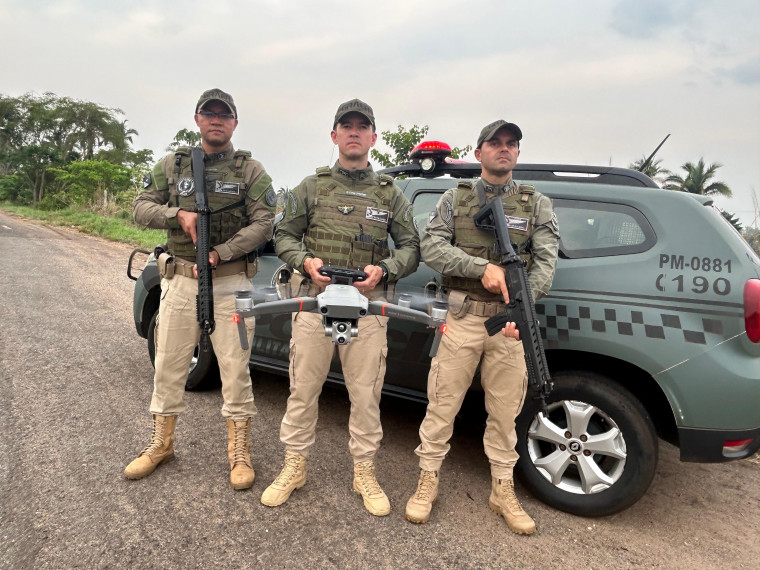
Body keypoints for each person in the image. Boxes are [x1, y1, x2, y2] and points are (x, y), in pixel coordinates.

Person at [263, 99, 420, 516]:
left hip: (367, 309)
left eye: (361, 126)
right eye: (345, 126)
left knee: (366, 394)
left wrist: (384, 270)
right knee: (303, 388)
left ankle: (364, 471)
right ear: (334, 135)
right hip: (316, 304)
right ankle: (294, 465)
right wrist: (305, 262)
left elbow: (411, 248)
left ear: (373, 137)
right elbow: (283, 236)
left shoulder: (391, 194)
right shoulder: (311, 187)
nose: (353, 132)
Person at [404, 119, 559, 534]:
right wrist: (481, 268)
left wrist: (521, 304)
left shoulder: (537, 204)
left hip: (509, 325)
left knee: (505, 413)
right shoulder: (454, 199)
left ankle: (502, 489)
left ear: (518, 153)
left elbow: (545, 262)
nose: (503, 150)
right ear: (479, 153)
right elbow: (431, 245)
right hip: (462, 316)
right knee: (442, 405)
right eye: (495, 143)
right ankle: (427, 480)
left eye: (511, 144)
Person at [125, 88, 276, 490]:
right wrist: (179, 215)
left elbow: (264, 222)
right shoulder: (172, 165)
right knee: (169, 366)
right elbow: (141, 207)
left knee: (235, 369)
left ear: (234, 123)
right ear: (197, 119)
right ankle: (161, 444)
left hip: (230, 280)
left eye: (224, 115)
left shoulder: (250, 170)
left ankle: (239, 453)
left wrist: (223, 250)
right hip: (179, 280)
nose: (216, 120)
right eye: (209, 114)